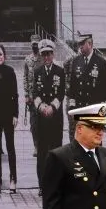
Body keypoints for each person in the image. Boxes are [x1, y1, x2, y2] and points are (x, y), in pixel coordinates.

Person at [32, 39, 66, 196]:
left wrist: (52, 107)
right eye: (44, 54)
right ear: (41, 55)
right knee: (42, 153)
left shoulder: (60, 71)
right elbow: (35, 94)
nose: (46, 57)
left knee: (56, 151)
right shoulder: (37, 72)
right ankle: (42, 185)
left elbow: (61, 94)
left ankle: (57, 184)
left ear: (53, 54)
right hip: (41, 119)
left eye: (49, 54)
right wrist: (42, 107)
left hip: (55, 118)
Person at [66, 33, 106, 143]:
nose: (80, 46)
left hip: (94, 109)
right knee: (81, 141)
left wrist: (103, 111)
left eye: (82, 44)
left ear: (90, 44)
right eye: (79, 44)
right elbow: (73, 86)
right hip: (80, 108)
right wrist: (71, 106)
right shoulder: (76, 61)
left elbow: (105, 88)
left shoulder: (100, 62)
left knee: (95, 141)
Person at [0, 44, 19, 195]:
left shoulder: (10, 72)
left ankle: (13, 179)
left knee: (10, 148)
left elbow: (15, 95)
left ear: (5, 56)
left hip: (8, 116)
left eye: (0, 54)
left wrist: (15, 115)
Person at [24, 34, 41, 157]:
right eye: (33, 43)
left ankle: (43, 145)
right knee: (34, 124)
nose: (35, 45)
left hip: (42, 96)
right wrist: (26, 94)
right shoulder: (27, 59)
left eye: (36, 43)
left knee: (43, 122)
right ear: (31, 44)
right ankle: (36, 146)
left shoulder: (43, 58)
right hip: (31, 97)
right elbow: (25, 77)